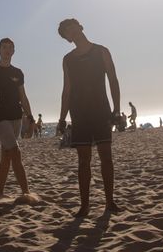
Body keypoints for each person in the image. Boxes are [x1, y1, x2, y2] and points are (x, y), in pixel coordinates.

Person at [57, 18, 121, 216]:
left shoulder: (101, 51)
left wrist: (116, 109)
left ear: (80, 26)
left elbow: (113, 80)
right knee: (83, 160)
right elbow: (67, 90)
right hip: (79, 112)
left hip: (101, 109)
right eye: (66, 31)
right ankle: (84, 205)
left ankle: (109, 202)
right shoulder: (68, 59)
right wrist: (61, 118)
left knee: (106, 156)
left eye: (72, 26)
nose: (71, 31)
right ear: (67, 38)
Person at [0, 37, 38, 203]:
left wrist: (30, 116)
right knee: (15, 152)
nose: (7, 50)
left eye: (10, 47)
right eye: (4, 47)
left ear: (14, 51)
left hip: (16, 116)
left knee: (6, 156)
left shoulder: (18, 72)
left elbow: (23, 96)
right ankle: (27, 192)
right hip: (0, 117)